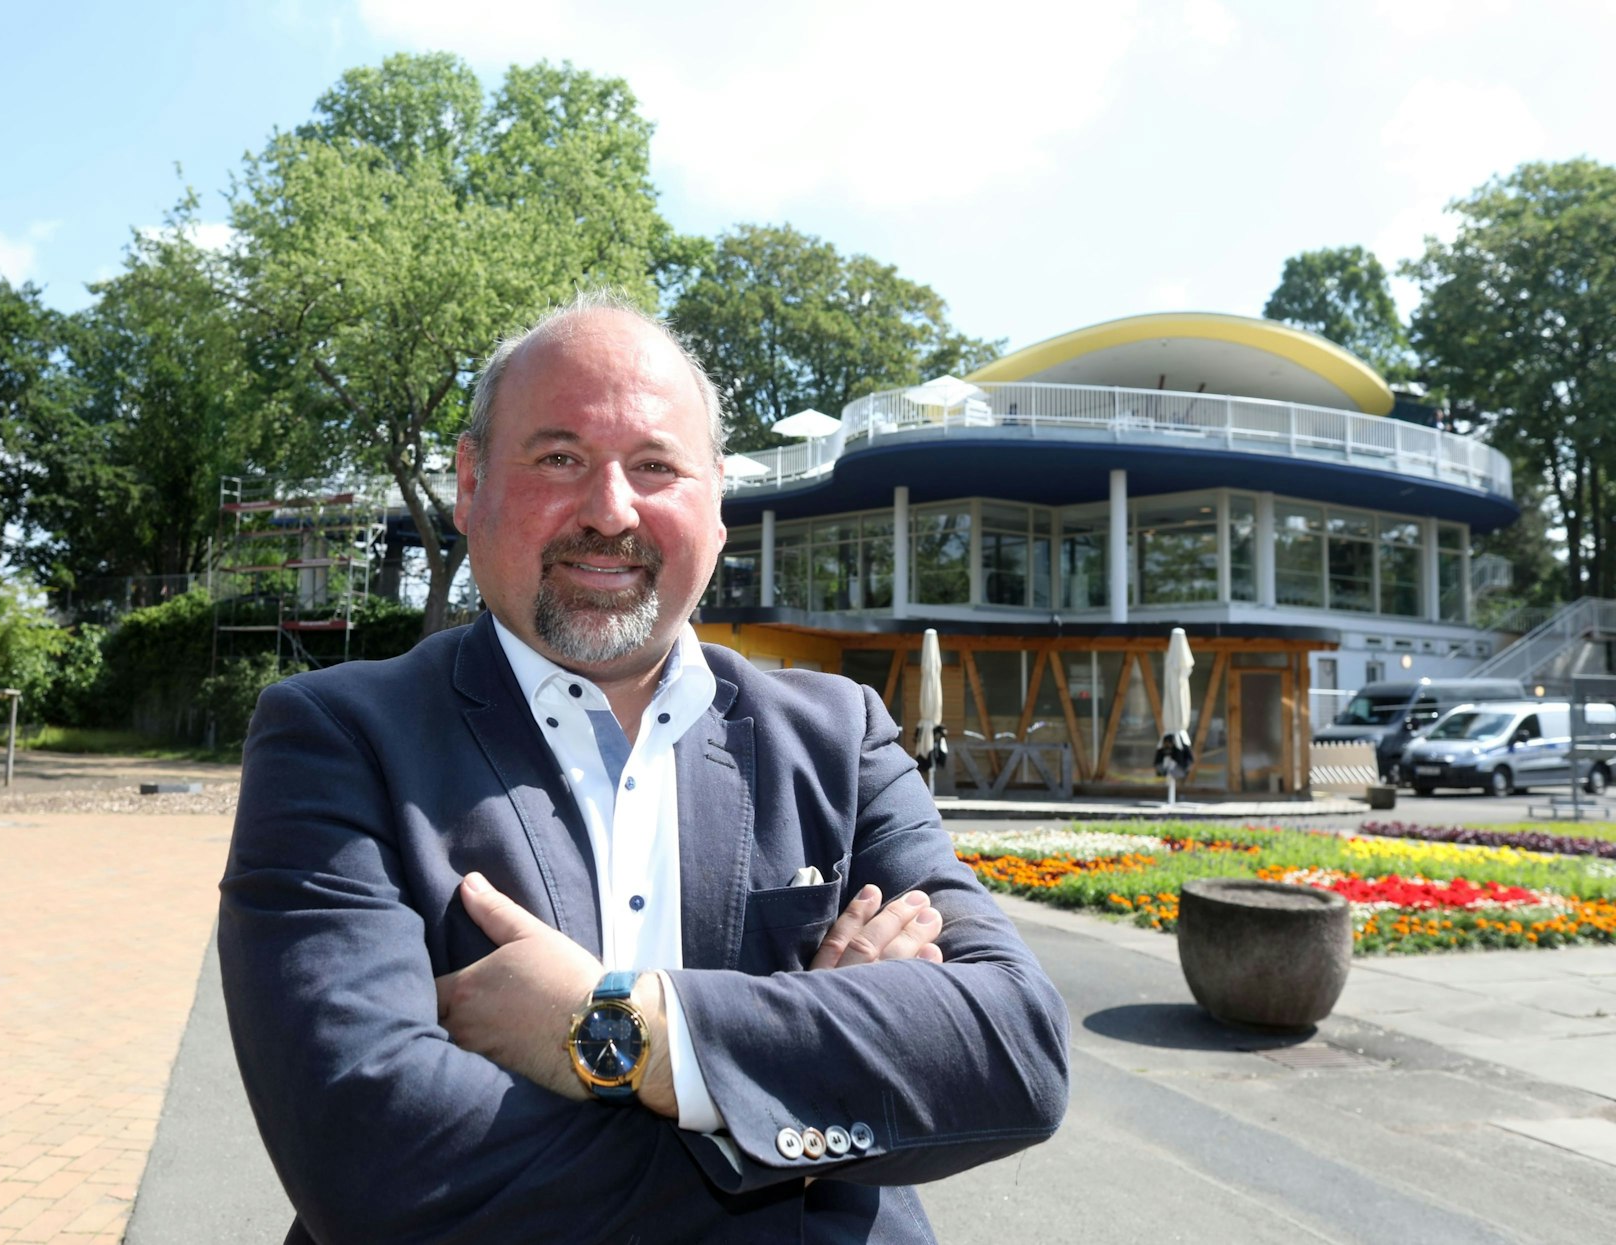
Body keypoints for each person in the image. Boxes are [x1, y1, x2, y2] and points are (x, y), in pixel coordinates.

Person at [218, 293, 1069, 1244]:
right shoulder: (337, 738)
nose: (610, 510)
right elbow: (371, 1161)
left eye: (656, 465)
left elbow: (1012, 1049)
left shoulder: (840, 736)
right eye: (559, 458)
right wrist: (796, 1124)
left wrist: (617, 1031)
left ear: (716, 505)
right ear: (470, 484)